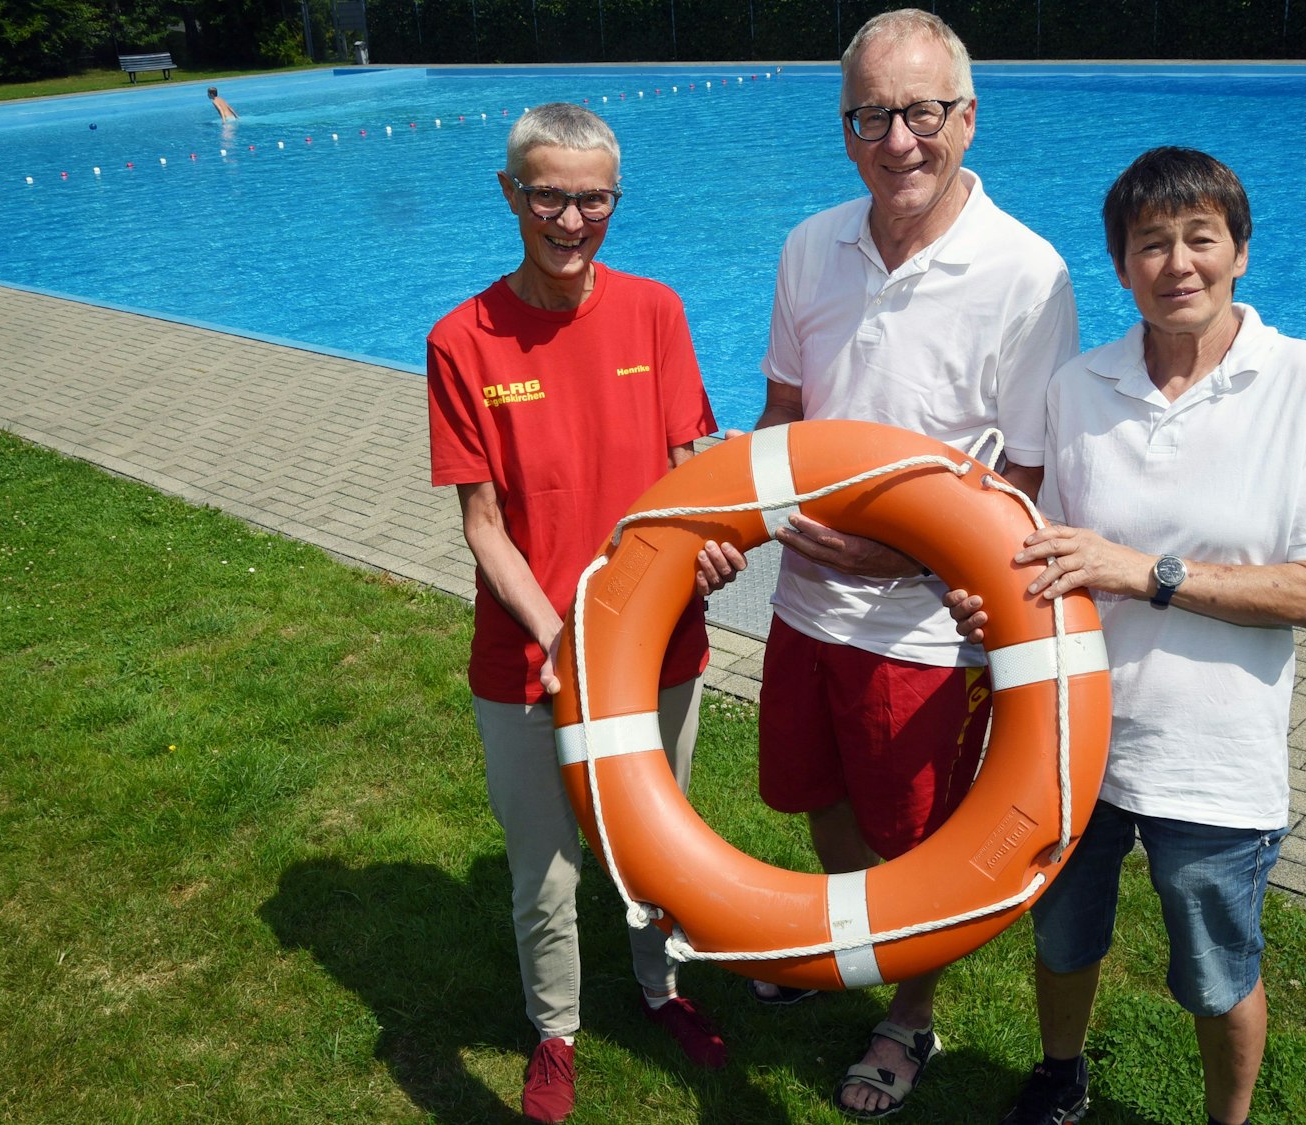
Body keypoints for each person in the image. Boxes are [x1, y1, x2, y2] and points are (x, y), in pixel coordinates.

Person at [944, 146, 1306, 1125]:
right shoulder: (1076, 389)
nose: (1175, 263)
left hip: (1215, 759)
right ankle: (1059, 1073)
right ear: (1121, 265)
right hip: (1074, 741)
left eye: (1199, 238)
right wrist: (992, 606)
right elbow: (1043, 557)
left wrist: (1144, 573)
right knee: (1060, 937)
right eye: (1150, 244)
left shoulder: (1304, 381)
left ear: (1239, 253)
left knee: (1215, 975)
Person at [694, 9, 1079, 1118]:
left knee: (919, 840)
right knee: (814, 798)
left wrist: (894, 556)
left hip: (923, 633)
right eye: (871, 116)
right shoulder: (809, 245)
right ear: (844, 127)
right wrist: (733, 524)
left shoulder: (1024, 273)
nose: (896, 140)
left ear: (965, 118)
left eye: (920, 113)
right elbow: (776, 415)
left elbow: (1029, 488)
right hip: (804, 604)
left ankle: (908, 1014)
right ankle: (840, 939)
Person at [424, 102, 731, 1124]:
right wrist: (563, 638)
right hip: (529, 660)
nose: (569, 219)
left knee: (656, 842)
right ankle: (555, 1030)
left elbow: (691, 471)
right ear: (509, 194)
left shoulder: (655, 312)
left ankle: (661, 991)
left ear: (614, 200)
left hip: (657, 646)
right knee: (544, 869)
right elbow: (484, 528)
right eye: (547, 195)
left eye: (590, 198)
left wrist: (713, 543)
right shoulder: (460, 340)